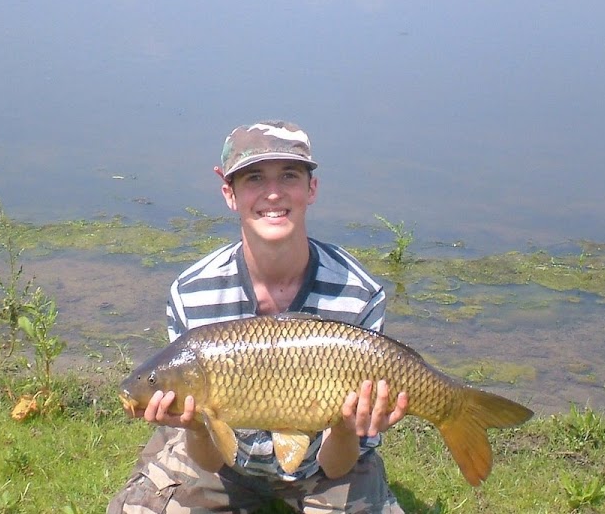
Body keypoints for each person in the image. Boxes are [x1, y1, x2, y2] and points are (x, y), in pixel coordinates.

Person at [108, 120, 410, 513]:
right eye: (253, 178)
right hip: (225, 469)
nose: (272, 193)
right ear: (229, 193)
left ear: (311, 188)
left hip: (329, 468)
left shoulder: (359, 293)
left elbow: (338, 463)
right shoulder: (191, 291)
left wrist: (347, 427)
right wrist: (196, 425)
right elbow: (210, 461)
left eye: (289, 175)